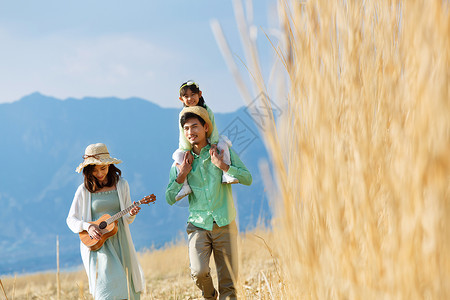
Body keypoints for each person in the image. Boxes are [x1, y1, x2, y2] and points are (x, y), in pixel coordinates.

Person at [166, 107, 252, 300]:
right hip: (198, 226)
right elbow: (169, 197)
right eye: (186, 128)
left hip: (225, 224)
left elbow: (247, 178)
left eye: (195, 126)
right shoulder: (181, 161)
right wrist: (182, 174)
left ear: (206, 128)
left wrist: (222, 165)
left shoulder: (223, 152)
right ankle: (209, 296)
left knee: (228, 284)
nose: (190, 132)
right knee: (198, 271)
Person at [67, 143, 149, 300]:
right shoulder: (83, 191)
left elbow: (127, 218)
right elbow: (71, 219)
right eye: (95, 169)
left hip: (120, 240)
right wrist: (88, 227)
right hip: (98, 244)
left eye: (103, 168)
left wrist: (131, 213)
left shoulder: (122, 185)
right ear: (88, 170)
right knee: (107, 289)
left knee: (126, 287)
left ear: (110, 166)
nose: (99, 173)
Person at [173, 80, 238, 201]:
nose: (190, 98)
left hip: (209, 139)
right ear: (181, 99)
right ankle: (185, 185)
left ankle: (227, 173)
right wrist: (187, 150)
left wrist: (213, 144)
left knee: (224, 144)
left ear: (200, 94)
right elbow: (183, 134)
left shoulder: (206, 110)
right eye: (186, 96)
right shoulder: (183, 114)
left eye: (193, 95)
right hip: (189, 144)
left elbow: (213, 127)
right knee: (177, 157)